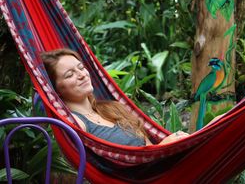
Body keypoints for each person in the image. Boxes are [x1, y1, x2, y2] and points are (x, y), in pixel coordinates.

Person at [41, 48, 189, 146]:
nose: (81, 75)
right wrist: (164, 146)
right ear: (55, 90)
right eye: (70, 75)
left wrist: (167, 146)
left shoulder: (112, 108)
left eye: (80, 68)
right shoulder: (76, 123)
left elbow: (150, 149)